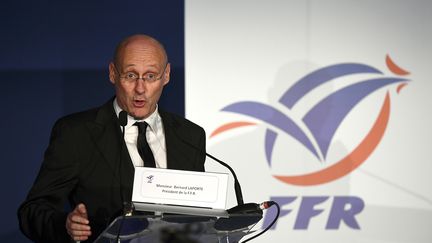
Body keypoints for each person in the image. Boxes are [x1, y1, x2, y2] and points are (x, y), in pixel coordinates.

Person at [18, 34, 206, 242]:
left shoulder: (190, 136)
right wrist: (66, 225)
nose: (140, 89)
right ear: (113, 74)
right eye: (131, 76)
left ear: (167, 75)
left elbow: (197, 217)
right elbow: (32, 211)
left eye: (151, 76)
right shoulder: (77, 133)